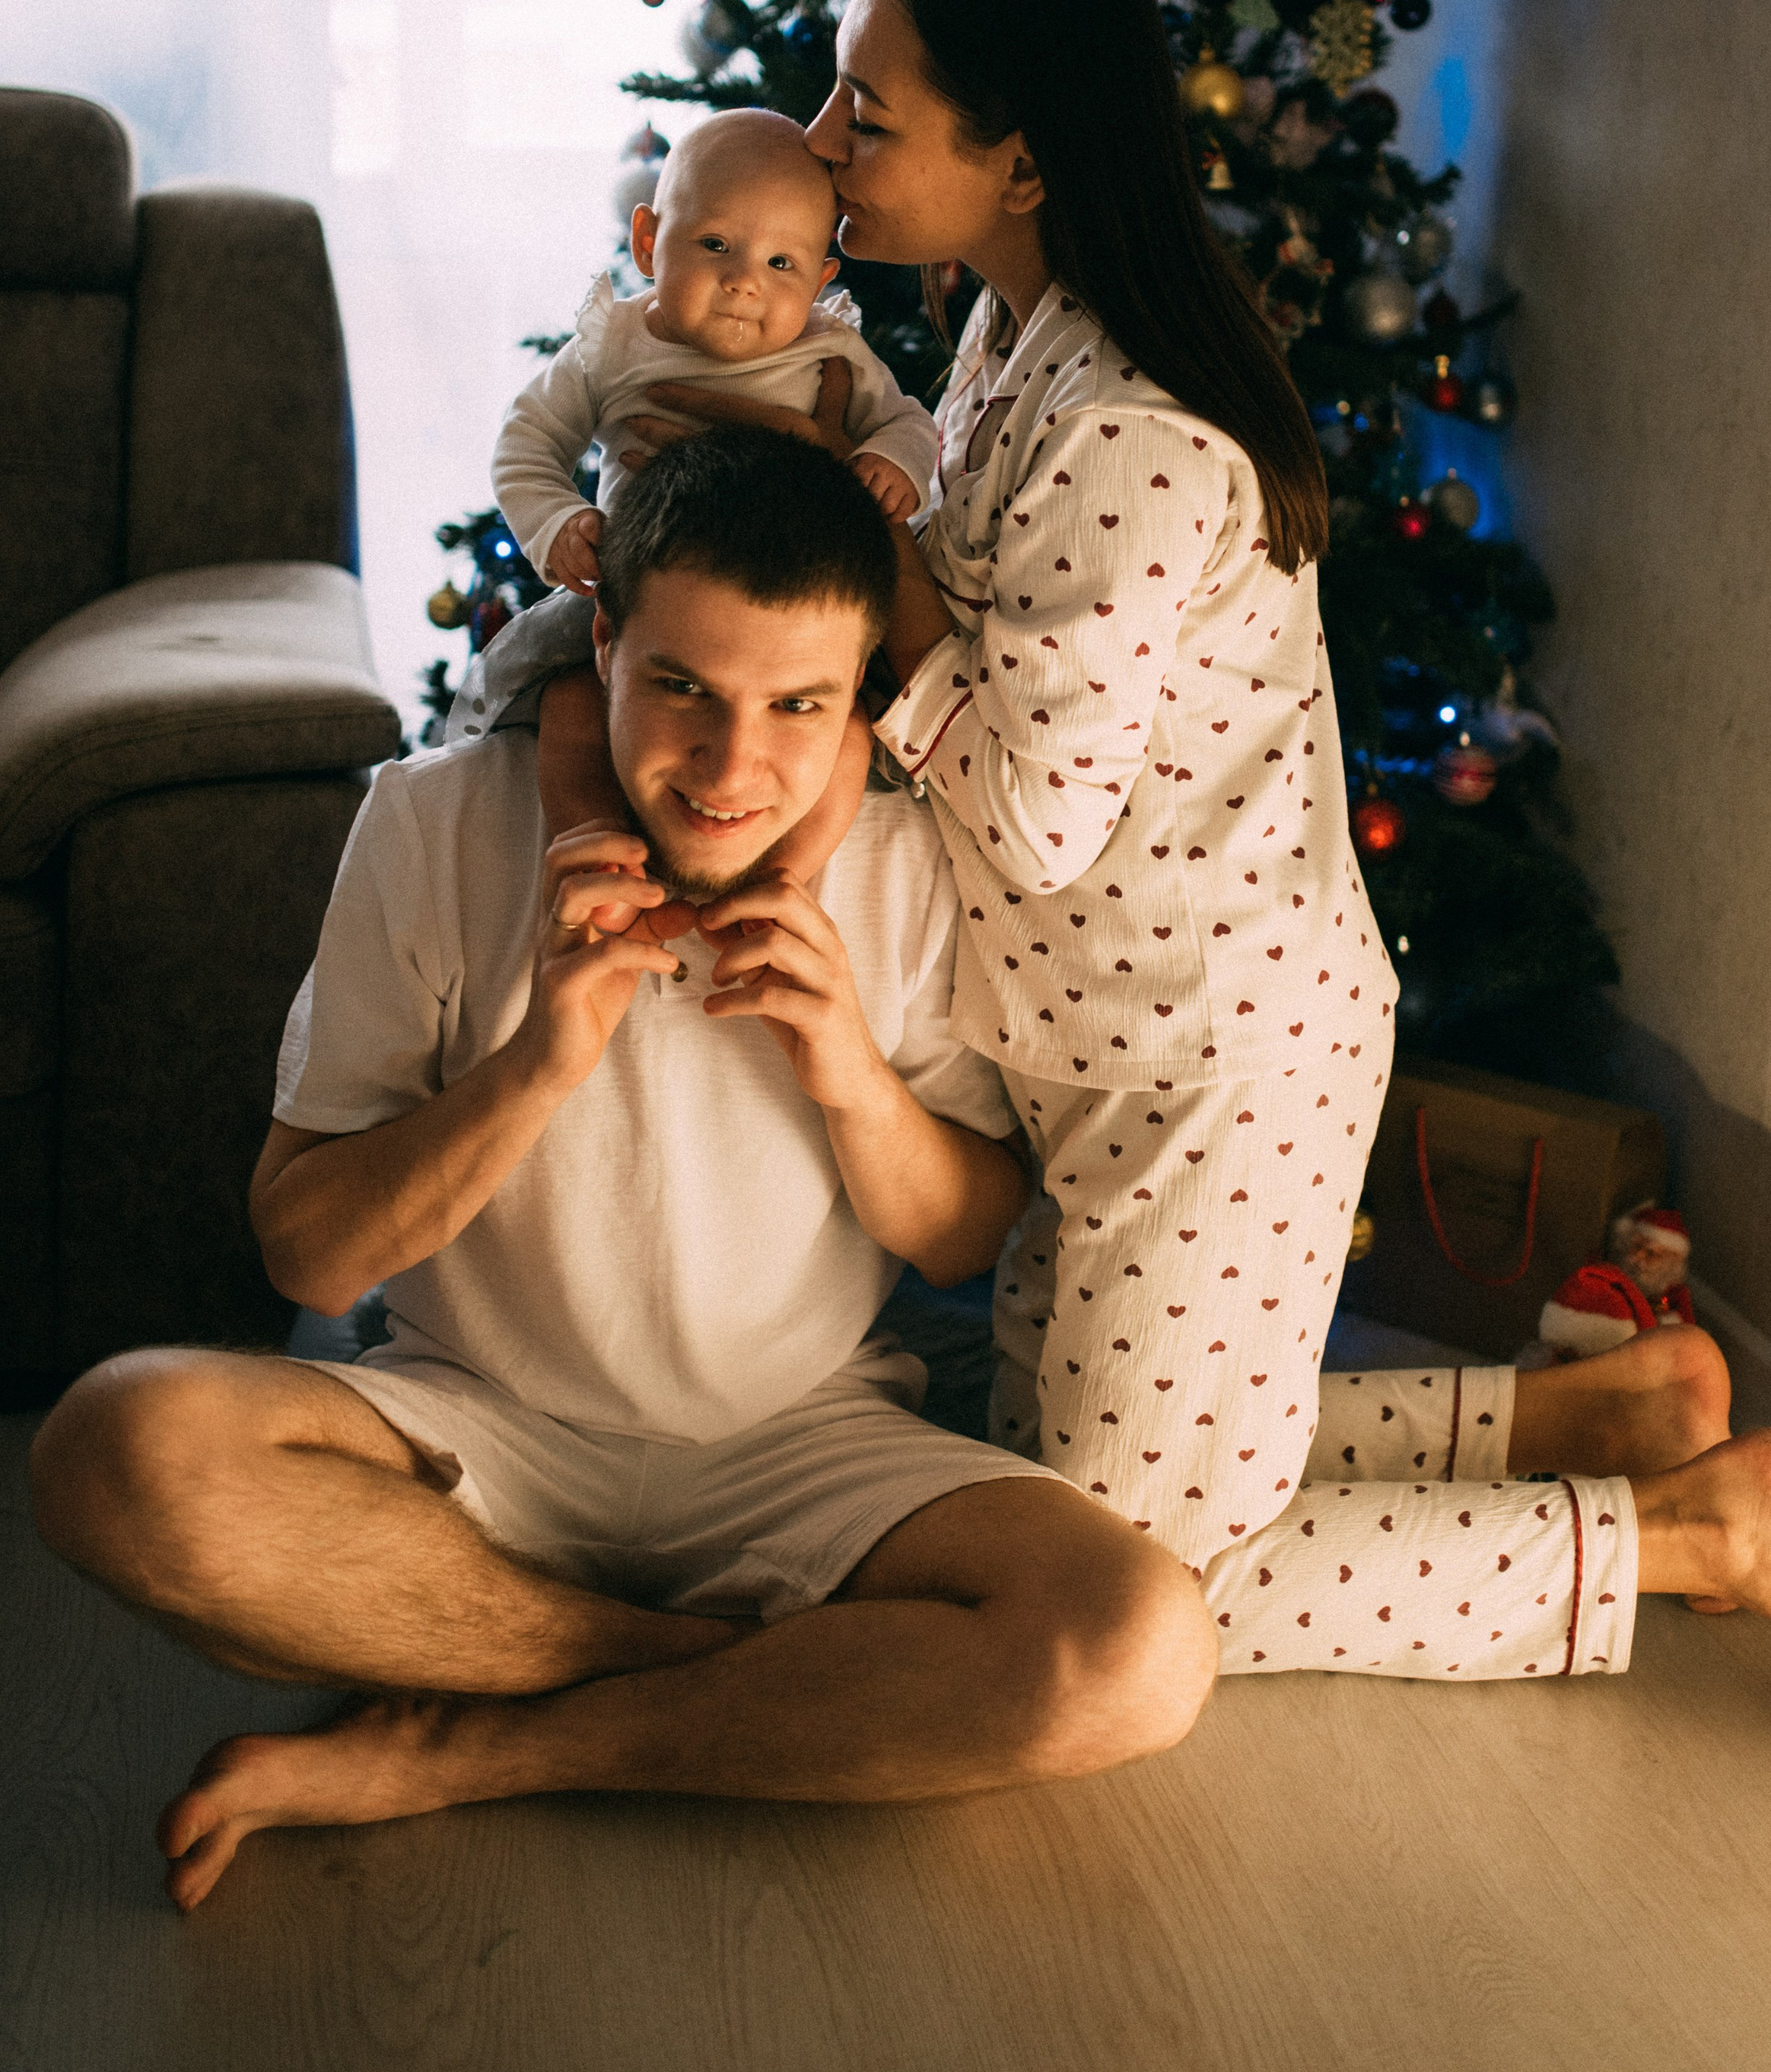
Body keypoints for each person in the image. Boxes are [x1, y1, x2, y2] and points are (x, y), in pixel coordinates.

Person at [618, 0, 1771, 1744]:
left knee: (1138, 1575)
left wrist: (875, 555)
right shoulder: (1005, 346)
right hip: (1082, 1049)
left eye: (866, 114)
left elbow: (1032, 808)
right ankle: (1586, 1418)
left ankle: (1692, 1536)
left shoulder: (1134, 435)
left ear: (1019, 159)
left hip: (1208, 1066)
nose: (823, 148)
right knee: (1038, 1463)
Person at [29, 432, 1220, 1914]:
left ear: (859, 698)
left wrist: (848, 1066)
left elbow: (963, 1241)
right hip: (476, 1428)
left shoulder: (910, 864)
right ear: (600, 644)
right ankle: (695, 1674)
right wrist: (533, 1063)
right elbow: (309, 1257)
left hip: (801, 1442)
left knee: (1135, 1648)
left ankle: (474, 1745)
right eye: (681, 690)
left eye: (800, 705)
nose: (734, 770)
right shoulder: (429, 819)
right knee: (113, 1448)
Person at [493, 108, 936, 600]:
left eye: (781, 262)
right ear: (647, 243)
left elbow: (907, 422)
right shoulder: (611, 344)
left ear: (817, 284)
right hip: (644, 595)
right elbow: (528, 440)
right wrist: (556, 520)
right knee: (529, 660)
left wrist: (891, 458)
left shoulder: (829, 349)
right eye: (715, 243)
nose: (745, 281)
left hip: (798, 596)